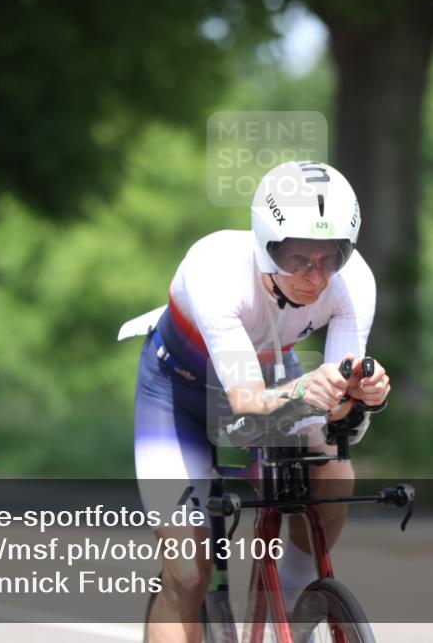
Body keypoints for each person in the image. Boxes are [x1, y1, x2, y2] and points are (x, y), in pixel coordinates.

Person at [130, 160, 389, 643]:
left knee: (333, 469)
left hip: (273, 378)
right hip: (178, 393)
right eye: (297, 258)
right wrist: (306, 392)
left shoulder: (355, 283)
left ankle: (293, 597)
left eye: (330, 257)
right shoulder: (216, 270)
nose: (315, 276)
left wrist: (361, 399)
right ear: (265, 245)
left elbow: (339, 423)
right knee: (187, 571)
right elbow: (247, 405)